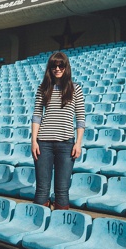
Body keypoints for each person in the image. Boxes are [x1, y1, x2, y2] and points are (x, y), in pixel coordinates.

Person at [31, 51, 85, 210]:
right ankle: (39, 224)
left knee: (62, 191)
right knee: (41, 190)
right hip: (43, 144)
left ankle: (59, 225)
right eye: (54, 65)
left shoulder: (76, 89)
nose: (57, 68)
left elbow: (80, 118)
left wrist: (78, 143)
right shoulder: (43, 88)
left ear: (66, 67)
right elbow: (36, 116)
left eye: (61, 65)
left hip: (66, 144)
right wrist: (34, 141)